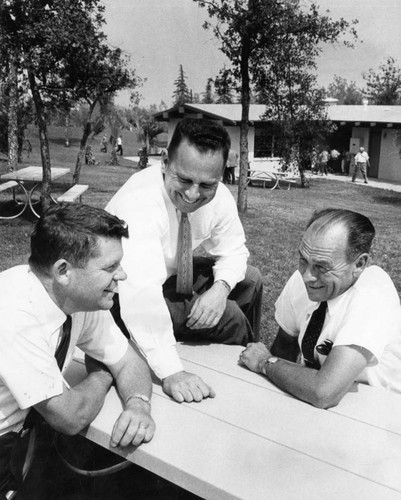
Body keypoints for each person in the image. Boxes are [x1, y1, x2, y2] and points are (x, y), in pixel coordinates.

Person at [0, 203, 155, 496]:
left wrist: (138, 404)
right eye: (110, 267)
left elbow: (129, 362)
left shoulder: (80, 299)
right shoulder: (12, 313)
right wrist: (103, 375)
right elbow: (69, 417)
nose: (121, 275)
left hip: (27, 439)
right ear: (63, 271)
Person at [107, 118, 263, 404]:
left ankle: (243, 355)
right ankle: (238, 387)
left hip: (169, 277)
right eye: (184, 179)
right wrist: (171, 372)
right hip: (118, 297)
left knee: (250, 280)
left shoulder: (219, 196)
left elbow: (235, 250)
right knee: (232, 318)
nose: (193, 194)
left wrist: (220, 290)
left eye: (206, 184)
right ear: (165, 162)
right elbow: (141, 297)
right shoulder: (139, 203)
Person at [239, 208, 401, 408]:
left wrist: (265, 362)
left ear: (359, 264)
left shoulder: (373, 292)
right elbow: (284, 350)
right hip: (313, 403)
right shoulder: (306, 280)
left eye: (322, 267)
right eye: (303, 261)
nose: (307, 276)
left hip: (378, 413)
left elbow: (324, 392)